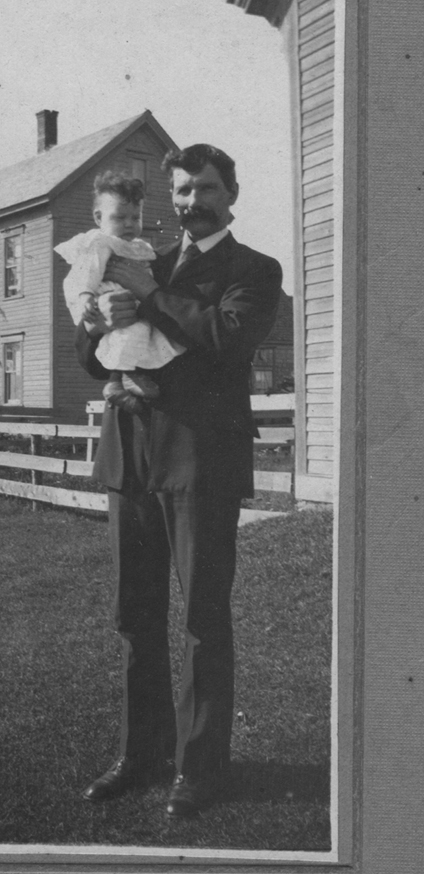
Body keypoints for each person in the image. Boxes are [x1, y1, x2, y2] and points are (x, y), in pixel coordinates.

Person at [75, 144, 283, 818]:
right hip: (131, 456)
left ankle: (201, 768)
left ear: (232, 193)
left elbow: (225, 337)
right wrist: (96, 325)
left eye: (207, 188)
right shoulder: (142, 259)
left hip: (201, 461)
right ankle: (142, 755)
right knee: (134, 614)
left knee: (202, 616)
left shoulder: (254, 269)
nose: (194, 201)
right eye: (184, 191)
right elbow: (93, 355)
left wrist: (148, 296)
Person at [55, 172, 186, 413]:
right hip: (108, 295)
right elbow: (88, 270)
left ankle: (125, 378)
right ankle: (120, 379)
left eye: (135, 217)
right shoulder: (100, 242)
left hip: (131, 298)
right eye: (119, 217)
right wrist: (86, 295)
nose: (129, 224)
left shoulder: (140, 247)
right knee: (132, 330)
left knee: (142, 332)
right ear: (98, 217)